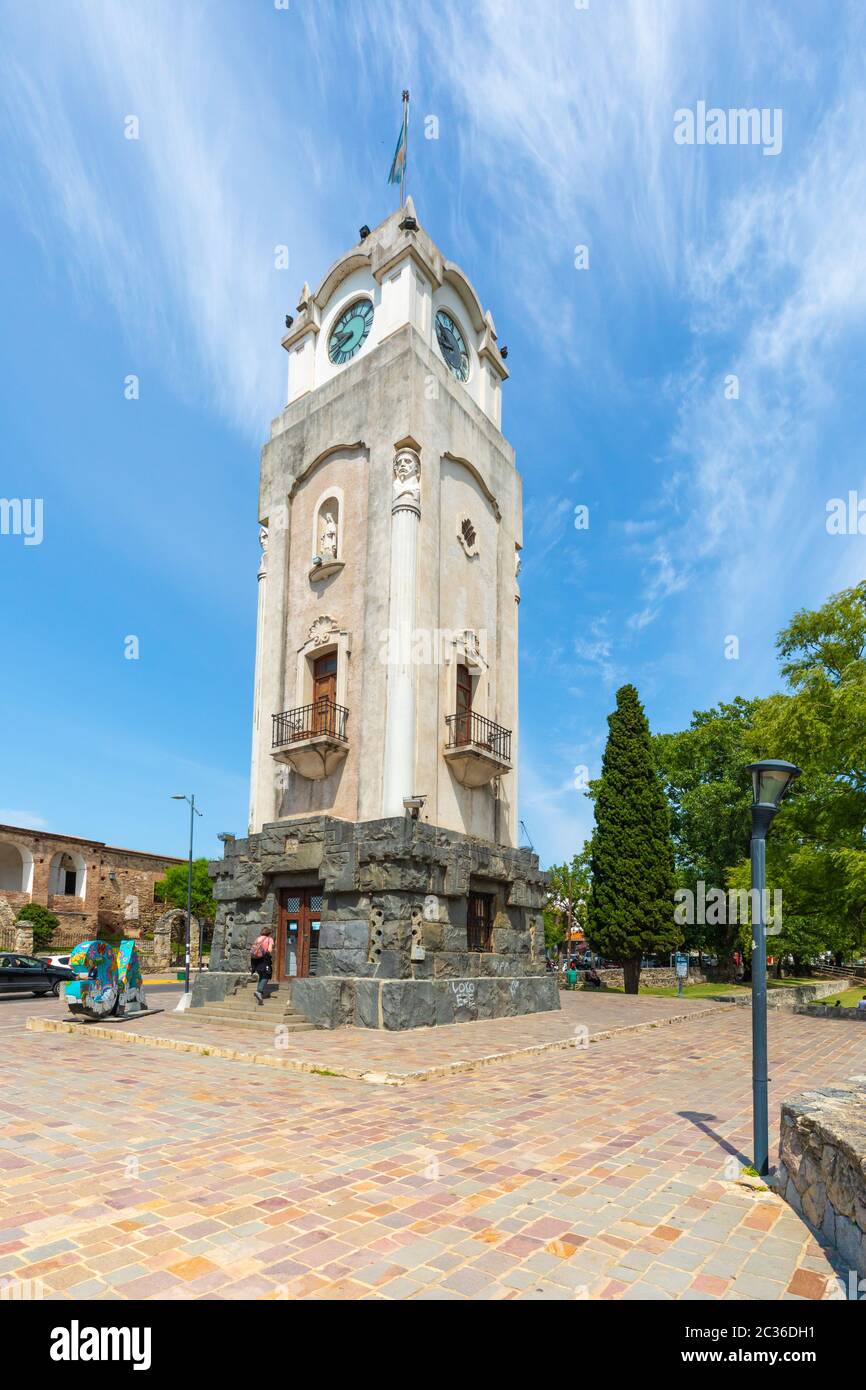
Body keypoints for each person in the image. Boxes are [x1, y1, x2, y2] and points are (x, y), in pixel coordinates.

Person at [250, 931, 275, 1004]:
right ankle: (259, 991)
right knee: (266, 976)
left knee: (261, 976)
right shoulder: (269, 939)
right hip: (264, 960)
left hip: (256, 960)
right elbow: (270, 950)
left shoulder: (257, 939)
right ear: (268, 933)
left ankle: (259, 996)